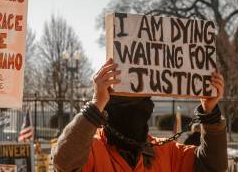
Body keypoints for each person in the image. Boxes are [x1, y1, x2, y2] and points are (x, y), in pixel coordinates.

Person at [51, 58, 228, 172]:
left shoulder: (166, 152)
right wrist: (96, 103)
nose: (136, 110)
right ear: (109, 108)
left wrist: (210, 113)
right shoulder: (93, 149)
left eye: (142, 102)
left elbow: (212, 167)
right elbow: (63, 162)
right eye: (125, 103)